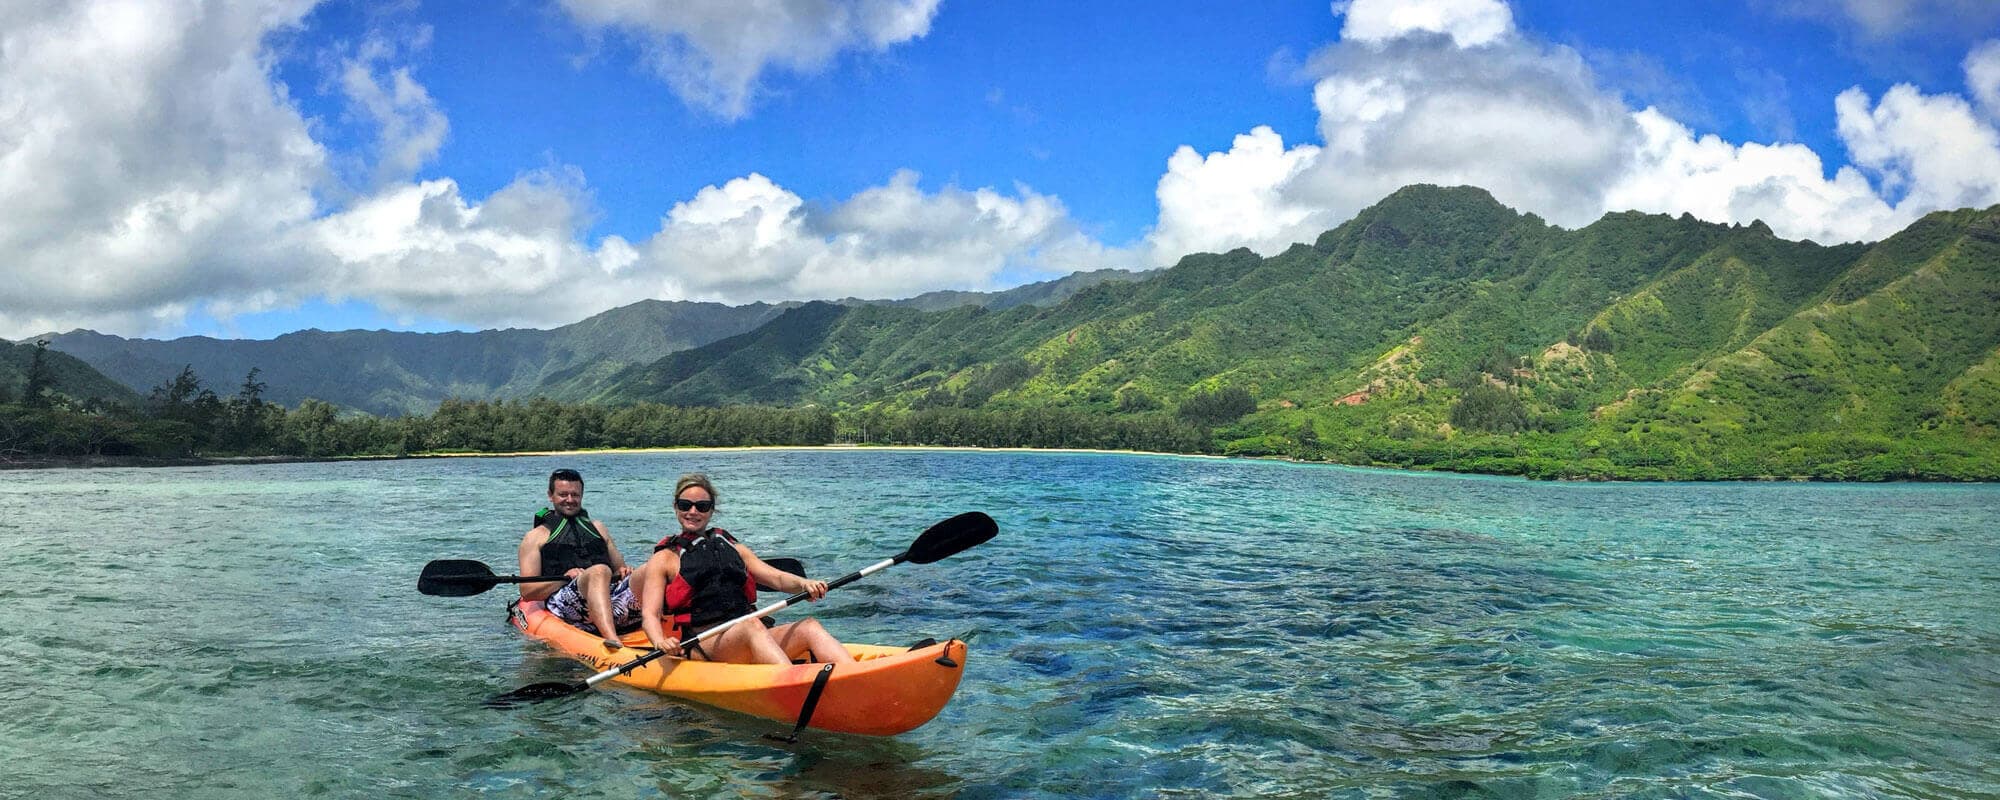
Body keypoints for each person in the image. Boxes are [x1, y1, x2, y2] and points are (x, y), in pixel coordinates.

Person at [634, 473, 854, 665]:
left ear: (711, 511)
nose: (693, 511)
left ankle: (854, 677)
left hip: (751, 634)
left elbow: (775, 578)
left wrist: (804, 584)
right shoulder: (663, 559)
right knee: (750, 626)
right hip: (705, 643)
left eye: (702, 506)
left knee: (809, 626)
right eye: (685, 505)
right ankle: (792, 685)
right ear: (675, 507)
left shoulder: (732, 546)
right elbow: (650, 615)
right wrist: (660, 642)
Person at [517, 468, 636, 651]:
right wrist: (563, 577)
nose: (570, 500)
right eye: (563, 495)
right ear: (551, 495)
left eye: (575, 495)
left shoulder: (598, 528)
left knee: (651, 569)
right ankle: (612, 640)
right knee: (599, 570)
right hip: (565, 601)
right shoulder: (535, 537)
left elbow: (620, 570)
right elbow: (527, 591)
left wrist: (625, 572)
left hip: (609, 597)